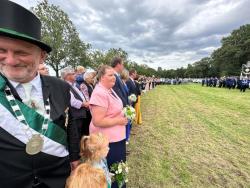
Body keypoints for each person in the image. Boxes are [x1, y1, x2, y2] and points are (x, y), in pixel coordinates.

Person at [0, 1, 75, 187]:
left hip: (58, 180)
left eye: (20, 52)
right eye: (1, 50)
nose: (10, 60)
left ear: (42, 56)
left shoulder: (61, 87)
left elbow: (70, 127)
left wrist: (75, 159)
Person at [89, 65, 128, 188]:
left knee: (118, 169)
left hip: (116, 138)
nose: (114, 78)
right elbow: (98, 121)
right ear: (101, 77)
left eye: (114, 75)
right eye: (110, 75)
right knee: (112, 171)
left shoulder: (109, 90)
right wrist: (119, 121)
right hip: (107, 141)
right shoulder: (99, 93)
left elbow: (113, 110)